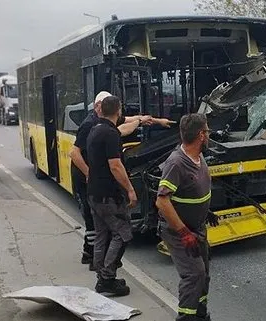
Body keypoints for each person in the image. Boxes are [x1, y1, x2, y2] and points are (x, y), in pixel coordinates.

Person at [69, 91, 174, 269]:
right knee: (115, 231)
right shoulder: (91, 126)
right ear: (98, 107)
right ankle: (104, 270)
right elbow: (78, 154)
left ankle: (97, 265)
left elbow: (129, 123)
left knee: (101, 229)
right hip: (89, 180)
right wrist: (90, 174)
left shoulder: (101, 127)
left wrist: (156, 121)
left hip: (95, 185)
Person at [155, 113, 219, 321]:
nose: (208, 135)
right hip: (180, 232)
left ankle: (200, 314)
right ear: (201, 135)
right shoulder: (177, 163)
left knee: (204, 275)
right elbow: (162, 201)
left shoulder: (198, 157)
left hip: (197, 227)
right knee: (194, 275)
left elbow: (192, 191)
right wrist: (184, 233)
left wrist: (205, 211)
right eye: (207, 131)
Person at [86, 95, 137, 296]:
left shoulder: (94, 129)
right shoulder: (111, 133)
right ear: (118, 110)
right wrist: (130, 190)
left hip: (94, 193)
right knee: (122, 233)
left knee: (101, 234)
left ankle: (101, 275)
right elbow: (115, 165)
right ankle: (107, 277)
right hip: (109, 196)